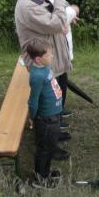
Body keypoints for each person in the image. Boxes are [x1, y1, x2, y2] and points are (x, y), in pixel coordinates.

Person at [14, 0, 72, 158]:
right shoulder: (28, 7)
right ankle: (49, 145)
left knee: (56, 94)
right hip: (40, 60)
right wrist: (59, 0)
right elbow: (55, 23)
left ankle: (53, 133)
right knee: (47, 105)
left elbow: (54, 21)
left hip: (47, 57)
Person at [39, 0, 80, 120]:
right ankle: (54, 118)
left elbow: (62, 9)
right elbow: (56, 18)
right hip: (51, 48)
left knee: (62, 80)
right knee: (54, 84)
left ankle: (59, 111)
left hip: (60, 47)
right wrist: (73, 11)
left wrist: (69, 14)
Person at [25, 40, 63, 187]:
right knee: (45, 149)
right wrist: (32, 117)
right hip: (46, 119)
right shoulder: (37, 76)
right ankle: (40, 180)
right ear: (38, 59)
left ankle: (45, 173)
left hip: (53, 115)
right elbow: (33, 101)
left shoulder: (45, 67)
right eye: (49, 54)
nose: (52, 56)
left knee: (51, 146)